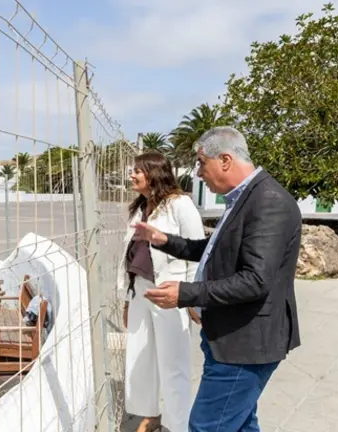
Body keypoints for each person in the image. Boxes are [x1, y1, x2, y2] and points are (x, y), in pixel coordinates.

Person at [133, 126, 302, 432]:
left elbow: (255, 280)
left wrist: (187, 293)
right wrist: (164, 240)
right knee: (241, 424)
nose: (198, 173)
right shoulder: (244, 197)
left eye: (201, 163)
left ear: (225, 160)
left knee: (206, 426)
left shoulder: (268, 201)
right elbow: (214, 250)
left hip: (245, 345)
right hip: (231, 337)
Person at [116, 152, 206, 432]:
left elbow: (197, 252)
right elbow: (130, 255)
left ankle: (178, 425)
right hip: (140, 291)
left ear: (154, 173)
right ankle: (151, 414)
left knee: (173, 363)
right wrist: (127, 300)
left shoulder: (180, 204)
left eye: (137, 171)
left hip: (170, 292)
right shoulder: (140, 207)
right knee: (140, 359)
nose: (132, 175)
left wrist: (191, 296)